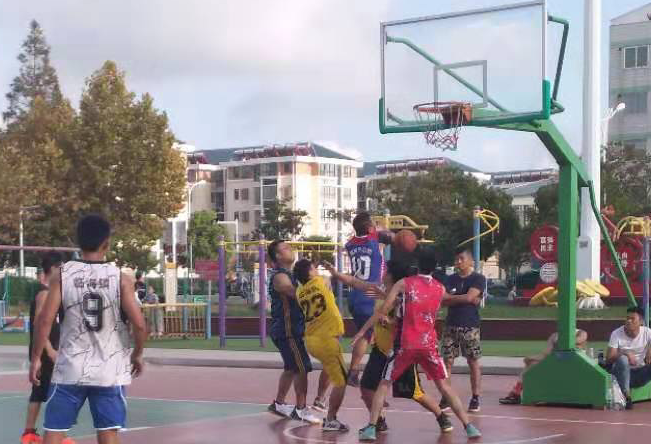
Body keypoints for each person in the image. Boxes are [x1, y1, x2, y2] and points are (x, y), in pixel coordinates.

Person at [29, 214, 147, 444]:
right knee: (108, 431)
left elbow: (44, 321)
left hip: (70, 367)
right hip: (109, 370)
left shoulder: (62, 276)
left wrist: (36, 358)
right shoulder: (120, 279)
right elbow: (140, 325)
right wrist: (138, 353)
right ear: (107, 243)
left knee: (54, 430)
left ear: (78, 241)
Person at [352, 249, 482, 441]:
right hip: (429, 344)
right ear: (434, 267)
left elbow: (383, 310)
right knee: (444, 386)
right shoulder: (439, 288)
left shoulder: (404, 283)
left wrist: (362, 331)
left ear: (418, 265)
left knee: (384, 384)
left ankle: (371, 427)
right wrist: (471, 299)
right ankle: (468, 426)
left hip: (406, 345)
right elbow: (452, 299)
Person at [325, 259, 455, 435]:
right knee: (366, 387)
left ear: (392, 275)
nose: (383, 273)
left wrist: (388, 321)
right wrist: (335, 273)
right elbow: (355, 282)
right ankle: (378, 421)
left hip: (398, 351)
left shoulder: (403, 294)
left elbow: (406, 321)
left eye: (385, 270)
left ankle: (441, 416)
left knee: (415, 393)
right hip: (380, 349)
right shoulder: (380, 288)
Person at [22, 252, 75, 444]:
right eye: (60, 268)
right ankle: (57, 435)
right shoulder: (45, 293)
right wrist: (50, 349)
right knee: (56, 392)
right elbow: (39, 322)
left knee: (40, 392)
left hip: (45, 351)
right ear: (52, 269)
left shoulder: (50, 292)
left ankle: (30, 433)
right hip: (46, 352)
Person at [266, 240, 320, 424]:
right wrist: (316, 285)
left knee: (291, 367)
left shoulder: (291, 274)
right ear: (278, 256)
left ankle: (279, 404)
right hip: (287, 330)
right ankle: (301, 409)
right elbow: (294, 292)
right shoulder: (280, 276)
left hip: (291, 329)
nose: (290, 249)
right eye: (285, 248)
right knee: (302, 367)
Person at [293, 259, 349, 431]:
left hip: (312, 340)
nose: (317, 270)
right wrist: (331, 272)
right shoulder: (320, 281)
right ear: (310, 272)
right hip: (326, 340)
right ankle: (331, 419)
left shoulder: (299, 292)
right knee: (341, 381)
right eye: (314, 268)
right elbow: (328, 279)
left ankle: (320, 399)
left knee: (330, 369)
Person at [344, 212, 393, 387]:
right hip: (371, 294)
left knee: (365, 334)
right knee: (380, 335)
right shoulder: (375, 239)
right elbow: (392, 236)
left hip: (355, 294)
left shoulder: (349, 244)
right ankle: (373, 376)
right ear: (370, 228)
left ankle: (354, 372)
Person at [440, 249, 486, 413]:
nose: (458, 262)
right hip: (450, 325)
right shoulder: (450, 279)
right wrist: (465, 298)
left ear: (471, 261)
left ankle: (475, 397)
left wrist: (454, 298)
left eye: (462, 258)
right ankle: (446, 396)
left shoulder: (478, 278)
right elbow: (443, 300)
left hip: (469, 326)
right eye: (456, 259)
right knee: (447, 362)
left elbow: (469, 297)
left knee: (472, 361)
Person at [499, 329, 588, 405]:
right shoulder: (554, 336)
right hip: (557, 363)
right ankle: (516, 394)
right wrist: (530, 358)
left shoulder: (581, 333)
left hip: (576, 364)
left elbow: (573, 343)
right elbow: (546, 354)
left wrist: (557, 342)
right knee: (532, 364)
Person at [606, 306, 651, 410]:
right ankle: (627, 397)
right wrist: (625, 352)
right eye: (627, 318)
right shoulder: (616, 333)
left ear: (641, 322)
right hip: (620, 374)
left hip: (639, 373)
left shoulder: (647, 332)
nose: (629, 321)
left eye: (632, 319)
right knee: (623, 359)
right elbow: (609, 358)